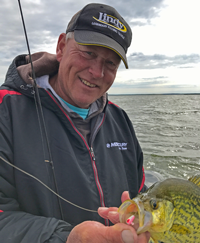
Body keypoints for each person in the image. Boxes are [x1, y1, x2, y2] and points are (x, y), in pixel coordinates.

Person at [0, 3, 150, 243]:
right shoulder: (6, 110)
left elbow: (142, 199)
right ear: (61, 47)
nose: (97, 72)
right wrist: (67, 238)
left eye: (110, 63)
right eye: (89, 53)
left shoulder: (120, 120)